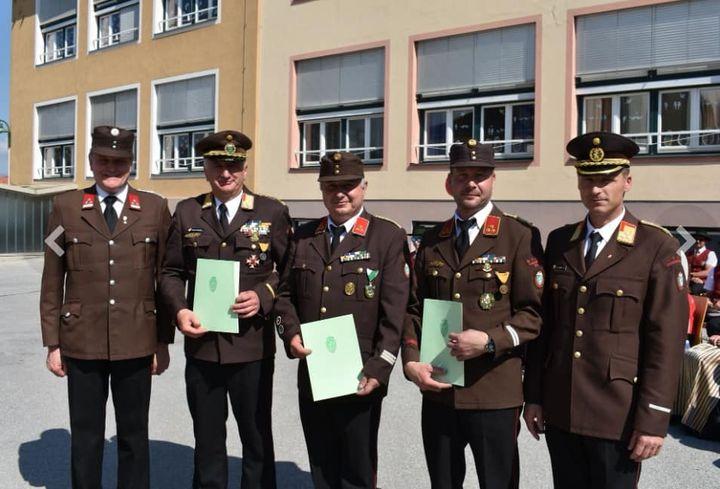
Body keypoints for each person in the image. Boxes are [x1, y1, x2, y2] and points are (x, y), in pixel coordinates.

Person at [523, 132, 688, 489]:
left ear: (627, 181)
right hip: (561, 407)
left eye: (607, 179)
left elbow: (666, 342)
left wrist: (653, 419)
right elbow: (545, 328)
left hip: (618, 414)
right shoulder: (560, 242)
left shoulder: (656, 245)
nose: (596, 189)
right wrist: (533, 396)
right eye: (587, 180)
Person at [401, 140, 544, 489]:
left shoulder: (519, 236)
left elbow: (534, 315)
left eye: (480, 175)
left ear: (493, 180)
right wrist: (411, 362)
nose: (471, 183)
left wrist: (489, 341)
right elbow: (414, 309)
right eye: (462, 175)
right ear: (449, 182)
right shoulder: (432, 240)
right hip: (439, 388)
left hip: (493, 391)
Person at [40, 126, 172, 489]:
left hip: (137, 339)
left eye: (119, 161)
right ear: (90, 161)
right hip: (82, 340)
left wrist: (162, 342)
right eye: (103, 160)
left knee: (134, 435)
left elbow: (164, 279)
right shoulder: (65, 207)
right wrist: (53, 343)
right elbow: (52, 278)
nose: (111, 168)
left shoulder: (155, 208)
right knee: (85, 436)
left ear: (131, 163)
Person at [159, 130, 291, 489]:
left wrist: (263, 295)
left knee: (256, 436)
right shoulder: (187, 212)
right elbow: (170, 272)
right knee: (207, 439)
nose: (226, 173)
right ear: (205, 169)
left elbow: (289, 272)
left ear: (245, 169)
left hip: (251, 347)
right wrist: (179, 310)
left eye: (233, 165)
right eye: (217, 165)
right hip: (203, 346)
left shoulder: (272, 212)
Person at [274, 152, 409, 489]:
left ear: (363, 187)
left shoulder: (386, 236)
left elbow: (395, 312)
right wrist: (290, 334)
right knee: (321, 465)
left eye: (347, 185)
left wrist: (381, 366)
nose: (339, 193)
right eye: (330, 186)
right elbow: (284, 296)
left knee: (357, 469)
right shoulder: (304, 236)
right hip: (314, 370)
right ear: (321, 190)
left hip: (360, 375)